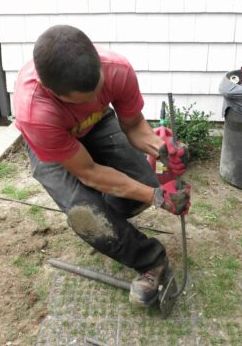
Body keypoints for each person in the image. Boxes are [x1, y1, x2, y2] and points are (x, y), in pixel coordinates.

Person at [14, 25, 190, 307]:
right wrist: (157, 198)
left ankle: (111, 228)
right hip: (52, 144)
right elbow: (89, 173)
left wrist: (162, 150)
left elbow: (133, 126)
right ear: (52, 91)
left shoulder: (117, 69)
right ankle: (151, 260)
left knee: (138, 191)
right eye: (82, 100)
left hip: (97, 125)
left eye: (98, 91)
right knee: (87, 215)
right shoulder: (35, 111)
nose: (94, 100)